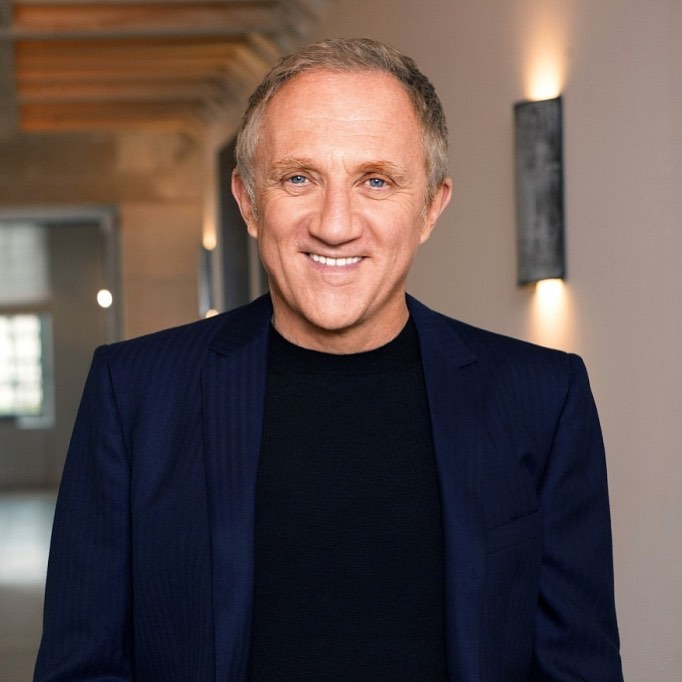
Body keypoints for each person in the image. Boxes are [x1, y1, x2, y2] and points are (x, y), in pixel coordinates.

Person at [35, 38, 623, 681]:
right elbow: (81, 668)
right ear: (248, 202)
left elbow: (578, 669)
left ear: (431, 207)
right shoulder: (134, 394)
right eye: (299, 178)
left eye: (376, 181)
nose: (335, 224)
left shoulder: (543, 398)